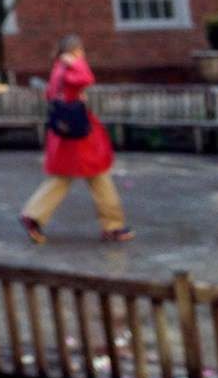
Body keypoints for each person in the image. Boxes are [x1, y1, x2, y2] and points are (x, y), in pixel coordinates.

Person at [20, 35, 134, 244]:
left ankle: (33, 216)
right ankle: (112, 226)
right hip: (79, 135)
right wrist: (76, 64)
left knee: (67, 177)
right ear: (75, 51)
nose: (82, 56)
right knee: (97, 176)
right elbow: (87, 79)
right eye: (80, 52)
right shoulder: (68, 67)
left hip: (66, 133)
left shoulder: (57, 70)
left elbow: (54, 94)